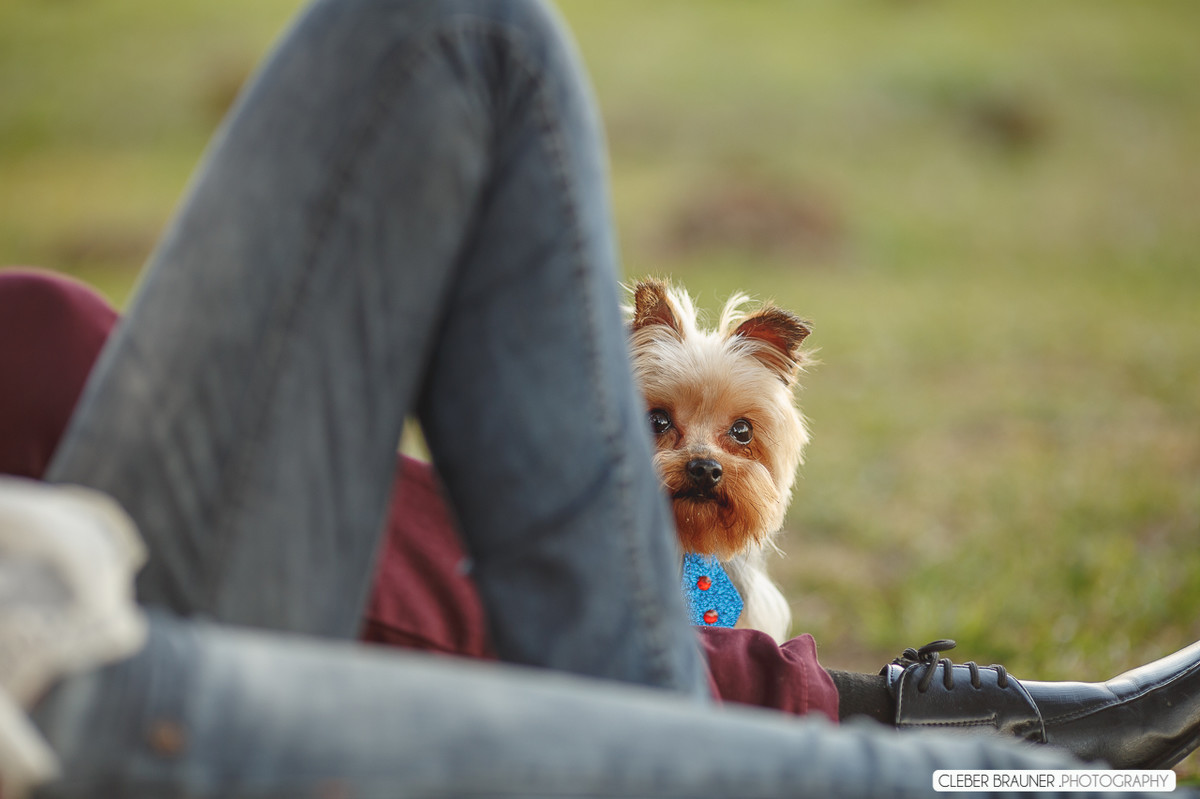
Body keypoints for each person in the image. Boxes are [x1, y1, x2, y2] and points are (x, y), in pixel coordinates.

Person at [0, 1, 1192, 796]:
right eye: (663, 428)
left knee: (455, 26)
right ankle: (944, 750)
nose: (702, 458)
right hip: (66, 659)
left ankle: (831, 713)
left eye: (735, 434)